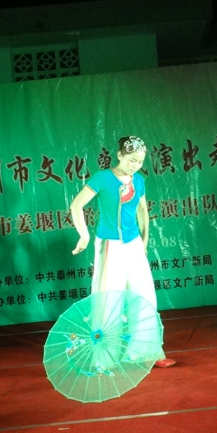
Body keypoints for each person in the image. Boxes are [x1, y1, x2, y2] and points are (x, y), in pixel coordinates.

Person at [69, 135, 175, 367]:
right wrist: (84, 235)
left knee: (144, 296)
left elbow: (143, 211)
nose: (135, 165)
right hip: (109, 245)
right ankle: (104, 358)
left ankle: (148, 352)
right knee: (108, 299)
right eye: (131, 160)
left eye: (139, 161)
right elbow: (76, 205)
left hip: (133, 243)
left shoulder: (139, 180)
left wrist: (144, 242)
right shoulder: (102, 178)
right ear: (119, 155)